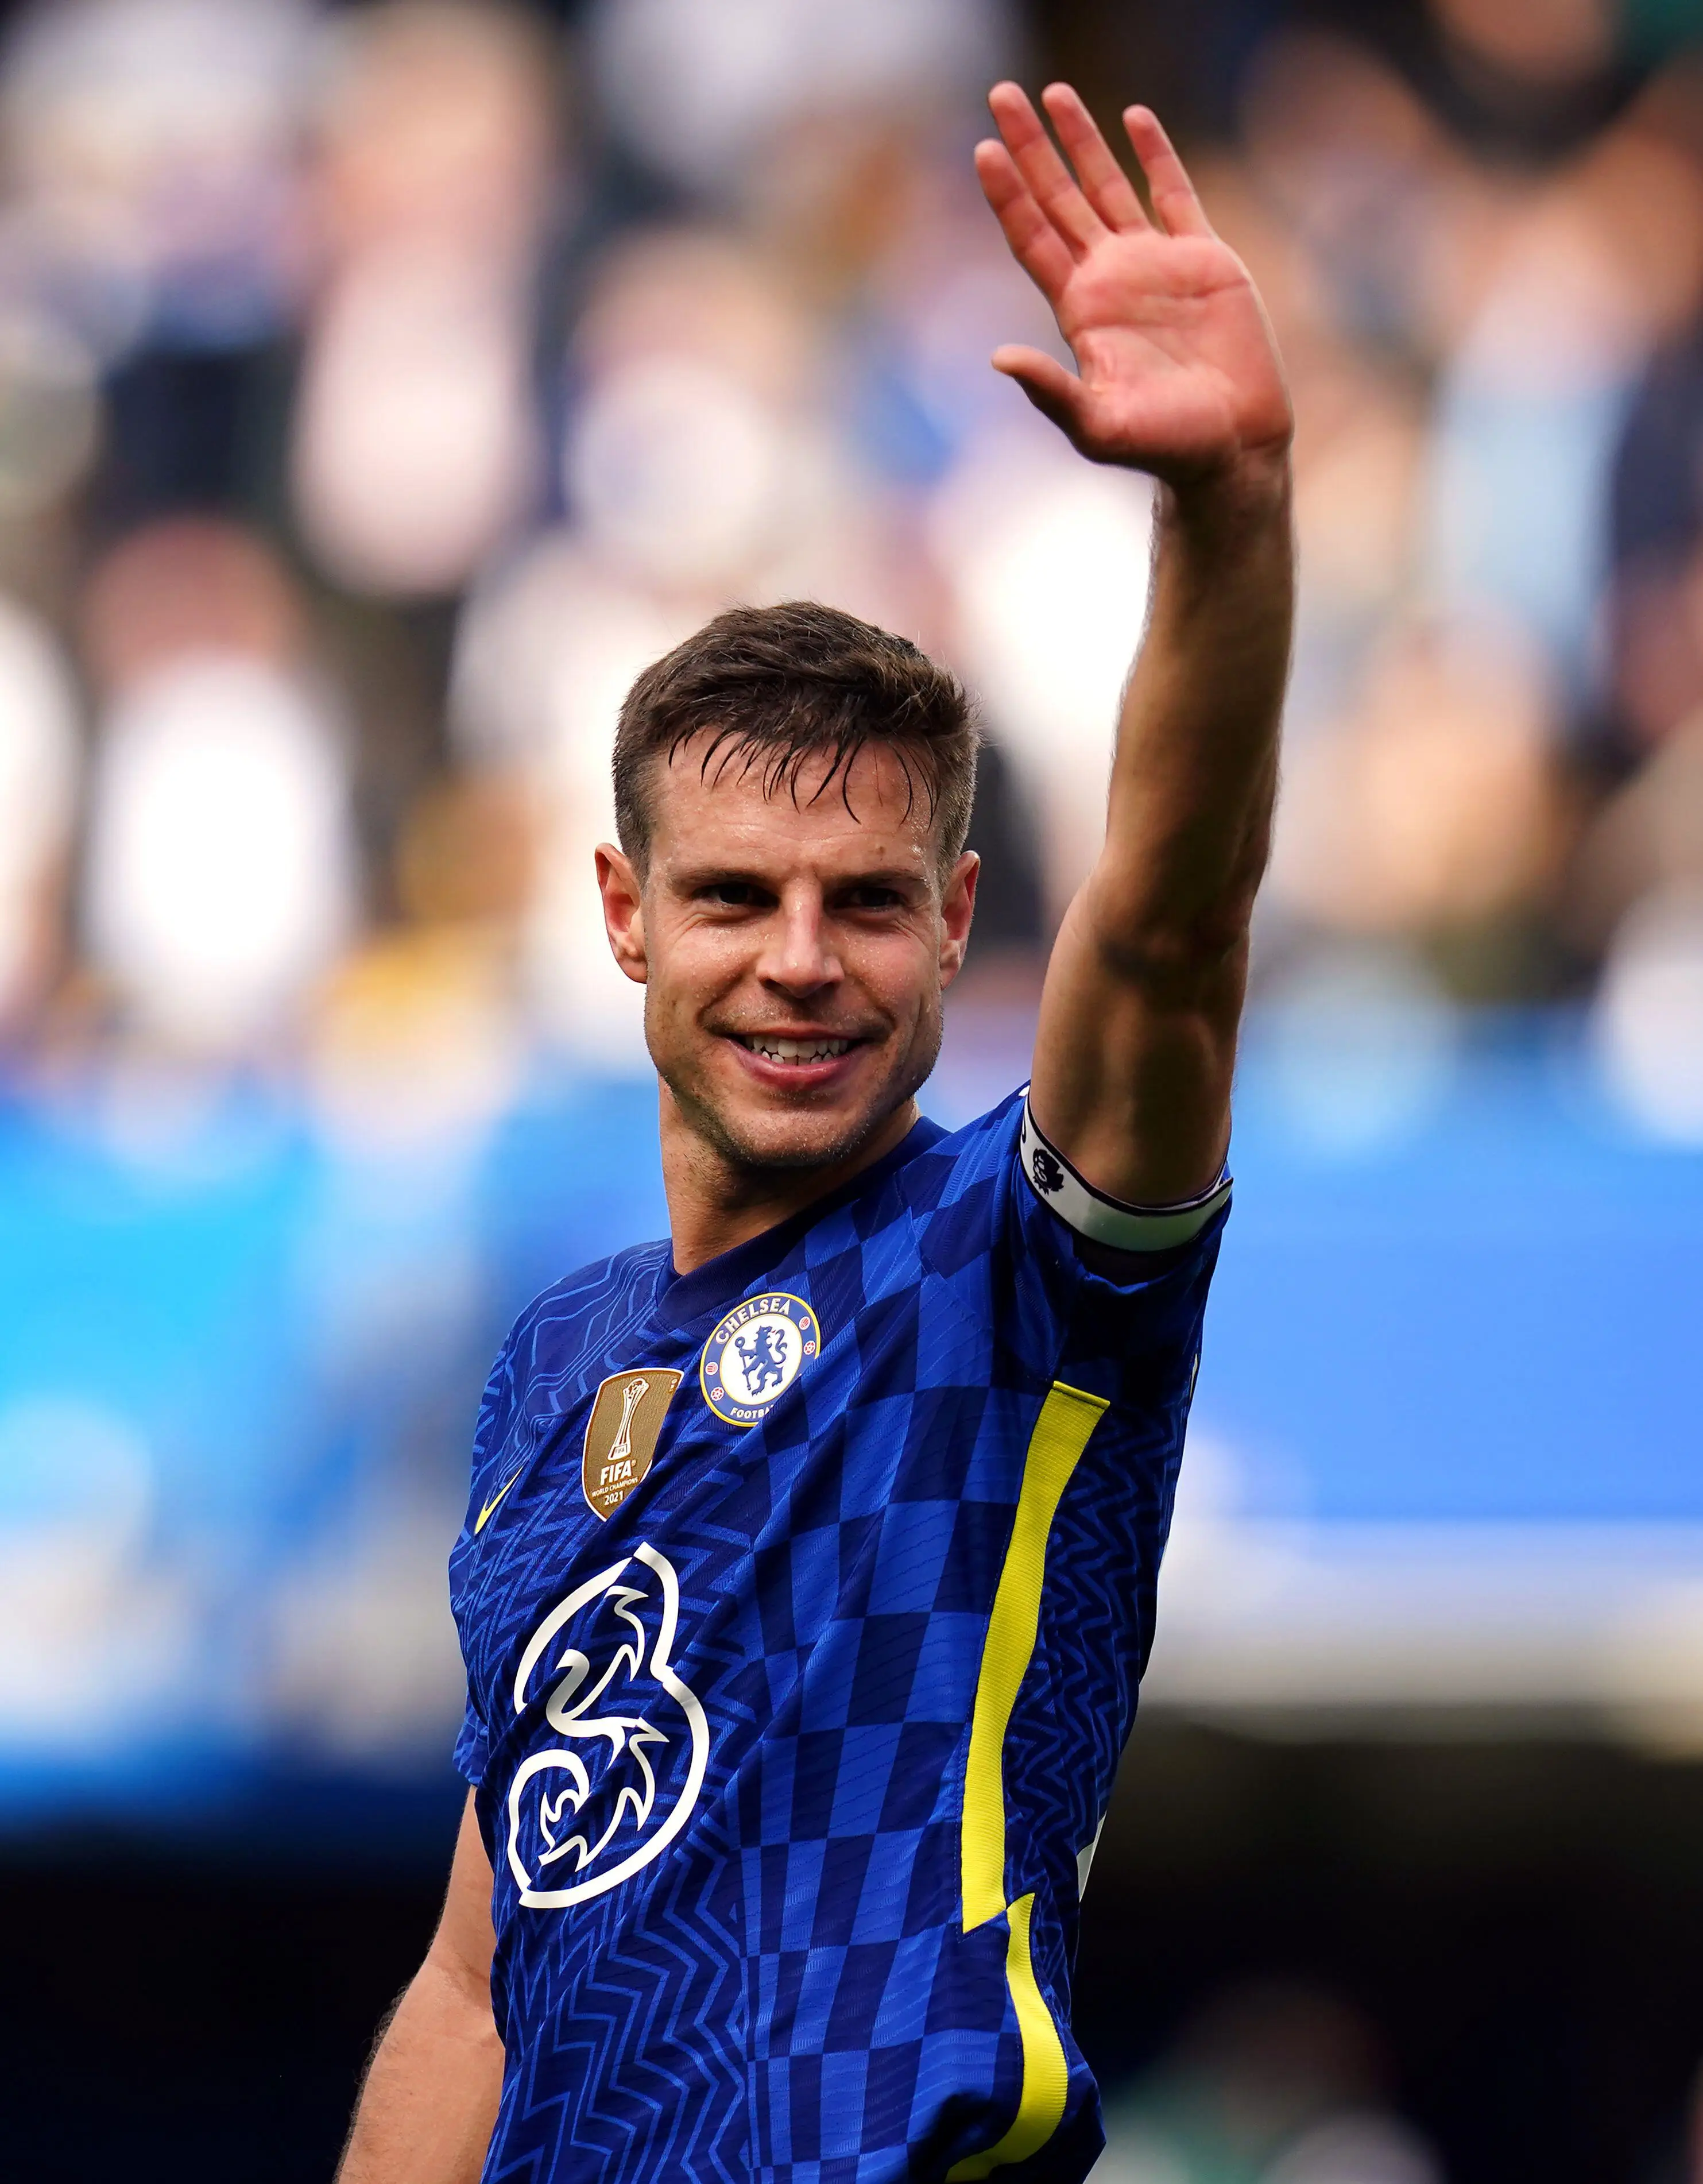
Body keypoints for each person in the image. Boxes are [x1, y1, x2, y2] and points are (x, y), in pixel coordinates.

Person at [337, 80, 1293, 2184]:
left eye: (866, 903)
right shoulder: (552, 1364)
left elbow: (1170, 927)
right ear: (620, 916)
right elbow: (476, 1980)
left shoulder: (1017, 1260)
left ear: (956, 927)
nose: (799, 961)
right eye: (731, 898)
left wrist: (1227, 514)